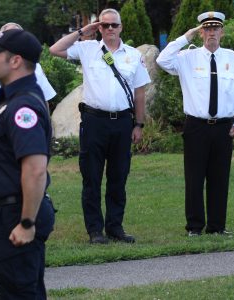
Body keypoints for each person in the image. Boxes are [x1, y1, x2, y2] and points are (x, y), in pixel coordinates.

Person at [49, 8, 151, 244]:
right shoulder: (87, 49)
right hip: (94, 122)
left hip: (123, 123)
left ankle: (115, 228)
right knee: (92, 178)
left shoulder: (133, 55)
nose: (110, 29)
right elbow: (55, 49)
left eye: (114, 25)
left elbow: (140, 93)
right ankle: (95, 230)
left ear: (121, 27)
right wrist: (83, 31)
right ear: (99, 28)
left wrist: (139, 124)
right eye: (104, 25)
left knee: (118, 177)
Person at [0, 29, 55, 298]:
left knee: (21, 292)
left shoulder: (23, 107)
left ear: (15, 61)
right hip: (8, 211)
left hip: (15, 214)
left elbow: (35, 169)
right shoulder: (11, 100)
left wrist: (26, 223)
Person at [156, 12, 234, 236]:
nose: (211, 33)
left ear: (222, 32)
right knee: (194, 178)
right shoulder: (187, 57)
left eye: (215, 28)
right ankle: (194, 227)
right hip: (196, 126)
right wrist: (185, 38)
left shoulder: (231, 57)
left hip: (223, 126)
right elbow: (161, 60)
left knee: (220, 178)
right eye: (207, 29)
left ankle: (217, 226)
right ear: (201, 33)